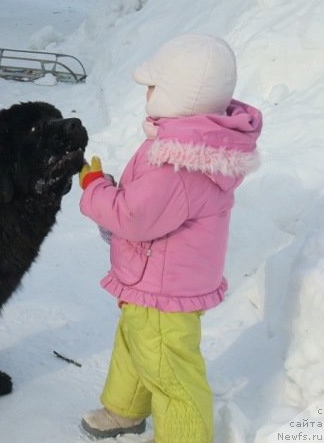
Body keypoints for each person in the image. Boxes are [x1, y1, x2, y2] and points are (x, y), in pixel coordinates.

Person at [77, 34, 263, 442]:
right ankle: (124, 411)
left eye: (153, 86)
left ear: (179, 94)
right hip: (156, 279)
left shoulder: (178, 162)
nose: (147, 93)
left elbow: (134, 216)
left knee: (170, 371)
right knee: (135, 345)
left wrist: (94, 188)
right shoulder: (194, 141)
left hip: (162, 286)